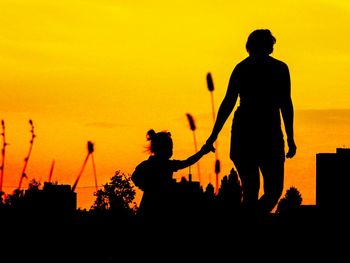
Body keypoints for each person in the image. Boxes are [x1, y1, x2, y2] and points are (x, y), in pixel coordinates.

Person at [205, 29, 297, 216]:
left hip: (248, 131)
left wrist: (213, 136)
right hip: (264, 132)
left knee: (252, 191)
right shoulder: (278, 68)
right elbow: (285, 104)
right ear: (270, 46)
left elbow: (228, 103)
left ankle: (247, 220)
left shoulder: (242, 68)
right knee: (270, 191)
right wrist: (290, 138)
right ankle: (249, 221)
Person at [131, 129, 213, 224]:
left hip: (148, 205)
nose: (171, 151)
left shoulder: (147, 164)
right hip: (161, 207)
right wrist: (202, 152)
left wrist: (146, 186)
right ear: (163, 149)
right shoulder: (166, 165)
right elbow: (187, 162)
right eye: (170, 148)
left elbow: (134, 177)